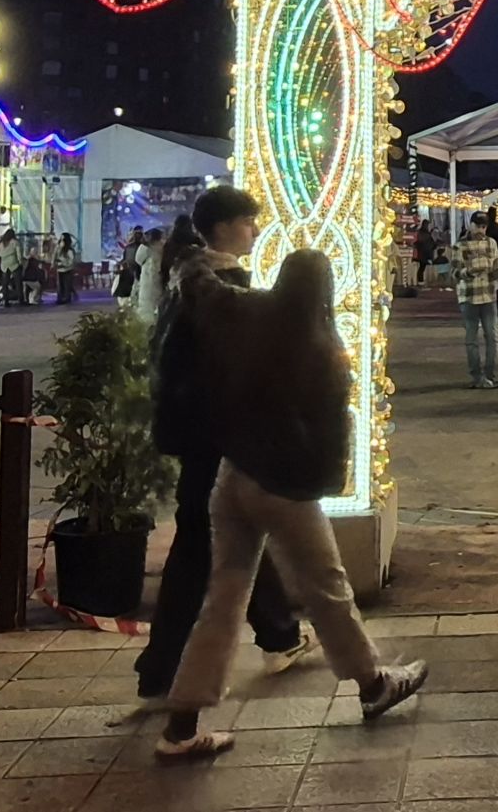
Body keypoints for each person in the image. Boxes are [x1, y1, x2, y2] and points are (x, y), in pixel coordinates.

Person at [155, 245, 427, 758]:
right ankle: (373, 684)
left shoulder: (247, 314)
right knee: (327, 587)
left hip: (233, 477)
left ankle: (181, 726)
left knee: (222, 601)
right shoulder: (322, 350)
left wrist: (194, 257)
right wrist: (320, 483)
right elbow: (332, 437)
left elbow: (204, 292)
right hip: (283, 486)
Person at [135, 186, 311, 706]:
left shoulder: (186, 277)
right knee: (198, 551)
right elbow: (234, 369)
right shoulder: (219, 289)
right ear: (223, 227)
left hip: (201, 431)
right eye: (247, 221)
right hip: (215, 433)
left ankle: (279, 634)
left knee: (235, 536)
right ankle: (161, 670)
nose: (254, 230)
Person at [453, 212, 498, 389]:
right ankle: (476, 376)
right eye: (478, 226)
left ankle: (490, 375)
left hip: (489, 294)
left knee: (492, 336)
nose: (481, 230)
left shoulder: (491, 243)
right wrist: (468, 272)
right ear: (471, 225)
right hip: (469, 296)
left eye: (484, 226)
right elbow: (455, 272)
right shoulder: (461, 245)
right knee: (471, 338)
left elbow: (496, 265)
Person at [133, 228, 167, 323]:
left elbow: (138, 261)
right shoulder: (162, 249)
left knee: (146, 309)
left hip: (145, 283)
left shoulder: (143, 250)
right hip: (158, 282)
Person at [115, 225, 144, 304]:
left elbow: (125, 260)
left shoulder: (129, 247)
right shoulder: (141, 247)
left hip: (131, 272)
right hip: (136, 273)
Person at [0, 229, 24, 305]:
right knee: (18, 283)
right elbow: (19, 254)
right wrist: (20, 263)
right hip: (14, 263)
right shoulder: (15, 242)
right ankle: (21, 300)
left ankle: (6, 300)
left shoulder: (1, 243)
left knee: (5, 284)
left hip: (4, 265)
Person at [55, 233, 80, 305]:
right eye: (60, 240)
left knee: (66, 284)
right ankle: (60, 298)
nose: (61, 241)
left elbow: (70, 262)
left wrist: (63, 263)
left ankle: (66, 298)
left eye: (63, 240)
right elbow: (55, 257)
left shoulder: (69, 250)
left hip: (67, 269)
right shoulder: (58, 249)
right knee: (60, 285)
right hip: (60, 269)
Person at [414, 219, 436, 287]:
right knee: (422, 268)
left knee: (421, 268)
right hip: (424, 253)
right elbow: (429, 243)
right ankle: (420, 282)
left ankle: (420, 281)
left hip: (421, 253)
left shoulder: (421, 232)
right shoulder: (425, 234)